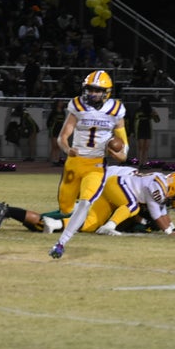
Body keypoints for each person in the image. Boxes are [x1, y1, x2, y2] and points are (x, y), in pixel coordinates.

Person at [48, 70, 129, 259]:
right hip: (74, 163)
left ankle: (61, 243)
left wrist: (120, 154)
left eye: (97, 90)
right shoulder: (78, 105)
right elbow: (62, 137)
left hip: (96, 165)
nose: (92, 94)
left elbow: (124, 145)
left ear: (107, 92)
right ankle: (55, 224)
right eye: (90, 89)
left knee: (85, 202)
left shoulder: (116, 109)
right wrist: (67, 149)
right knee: (65, 206)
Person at [0, 168, 175, 237]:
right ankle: (5, 209)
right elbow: (155, 215)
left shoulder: (149, 185)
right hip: (99, 191)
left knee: (49, 222)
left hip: (104, 193)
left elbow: (159, 215)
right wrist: (170, 230)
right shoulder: (151, 189)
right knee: (57, 218)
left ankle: (5, 210)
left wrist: (172, 228)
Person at [132, 96, 160, 167]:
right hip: (140, 129)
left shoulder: (151, 110)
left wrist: (155, 114)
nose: (139, 103)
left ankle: (144, 163)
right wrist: (133, 131)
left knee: (145, 148)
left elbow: (157, 120)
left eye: (140, 102)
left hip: (147, 129)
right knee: (141, 148)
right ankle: (140, 163)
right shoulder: (138, 110)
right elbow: (134, 120)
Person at [46, 99, 66, 166]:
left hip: (60, 130)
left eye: (62, 102)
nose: (61, 103)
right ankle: (53, 160)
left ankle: (57, 159)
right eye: (60, 102)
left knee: (59, 146)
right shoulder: (53, 112)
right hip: (54, 129)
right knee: (54, 146)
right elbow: (48, 122)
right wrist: (50, 128)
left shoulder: (63, 112)